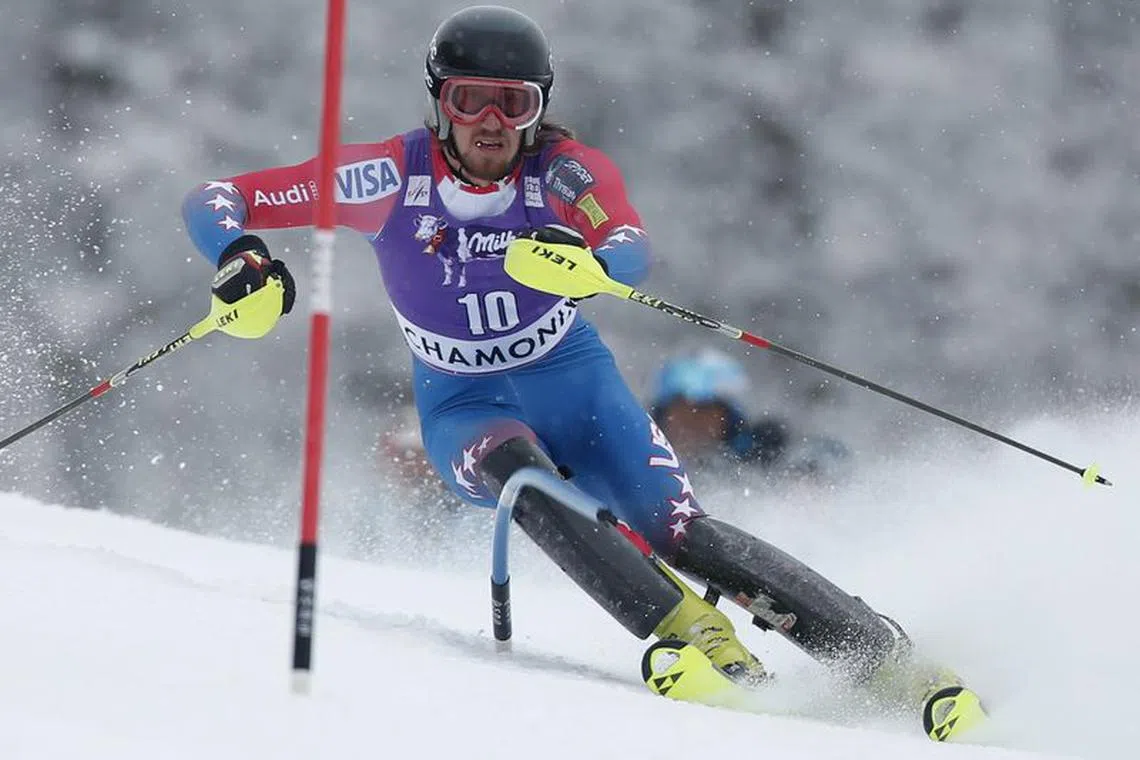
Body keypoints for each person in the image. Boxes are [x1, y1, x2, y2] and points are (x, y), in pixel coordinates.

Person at [180, 6, 977, 737]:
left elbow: (627, 241)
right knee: (522, 479)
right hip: (463, 397)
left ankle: (887, 661)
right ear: (438, 101)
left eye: (514, 104)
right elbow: (217, 199)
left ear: (538, 108)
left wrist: (588, 260)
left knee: (676, 528)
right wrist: (239, 256)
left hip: (574, 378)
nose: (491, 124)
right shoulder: (389, 177)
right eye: (470, 101)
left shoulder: (560, 173)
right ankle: (690, 634)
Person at [649, 347, 853, 484]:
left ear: (729, 419)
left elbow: (826, 452)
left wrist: (807, 472)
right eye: (681, 412)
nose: (691, 424)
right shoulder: (646, 458)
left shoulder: (759, 450)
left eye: (705, 412)